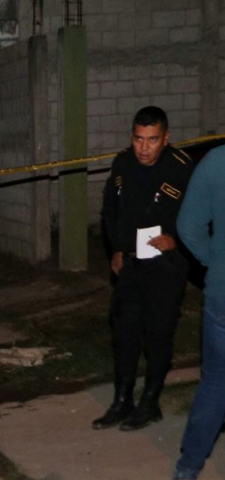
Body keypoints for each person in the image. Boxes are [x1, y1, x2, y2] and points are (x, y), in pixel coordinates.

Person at [95, 106, 194, 431]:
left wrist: (176, 239)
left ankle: (150, 403)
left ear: (166, 138)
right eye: (139, 139)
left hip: (165, 266)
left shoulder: (181, 167)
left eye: (152, 140)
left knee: (157, 336)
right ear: (131, 137)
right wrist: (116, 248)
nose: (144, 148)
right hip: (130, 264)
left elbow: (200, 213)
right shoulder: (123, 163)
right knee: (124, 334)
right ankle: (122, 401)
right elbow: (110, 207)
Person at [172, 144, 225, 480]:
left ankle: (189, 466)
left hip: (222, 291)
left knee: (216, 380)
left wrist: (214, 260)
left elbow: (188, 225)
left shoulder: (216, 161)